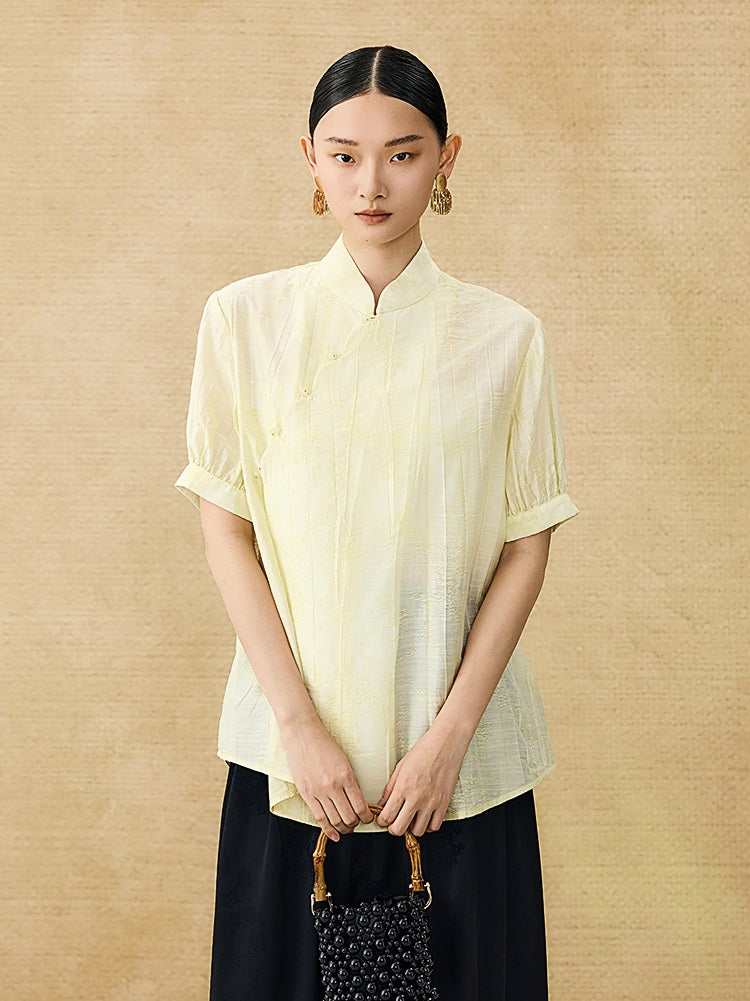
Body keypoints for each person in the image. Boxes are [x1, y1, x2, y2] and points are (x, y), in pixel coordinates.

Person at [174, 43, 580, 1001]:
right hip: (291, 763)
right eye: (344, 154)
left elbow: (526, 544)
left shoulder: (506, 337)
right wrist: (299, 726)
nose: (371, 184)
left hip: (460, 771)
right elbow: (227, 528)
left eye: (402, 154)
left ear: (446, 158)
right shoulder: (244, 322)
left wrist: (450, 739)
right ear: (309, 161)